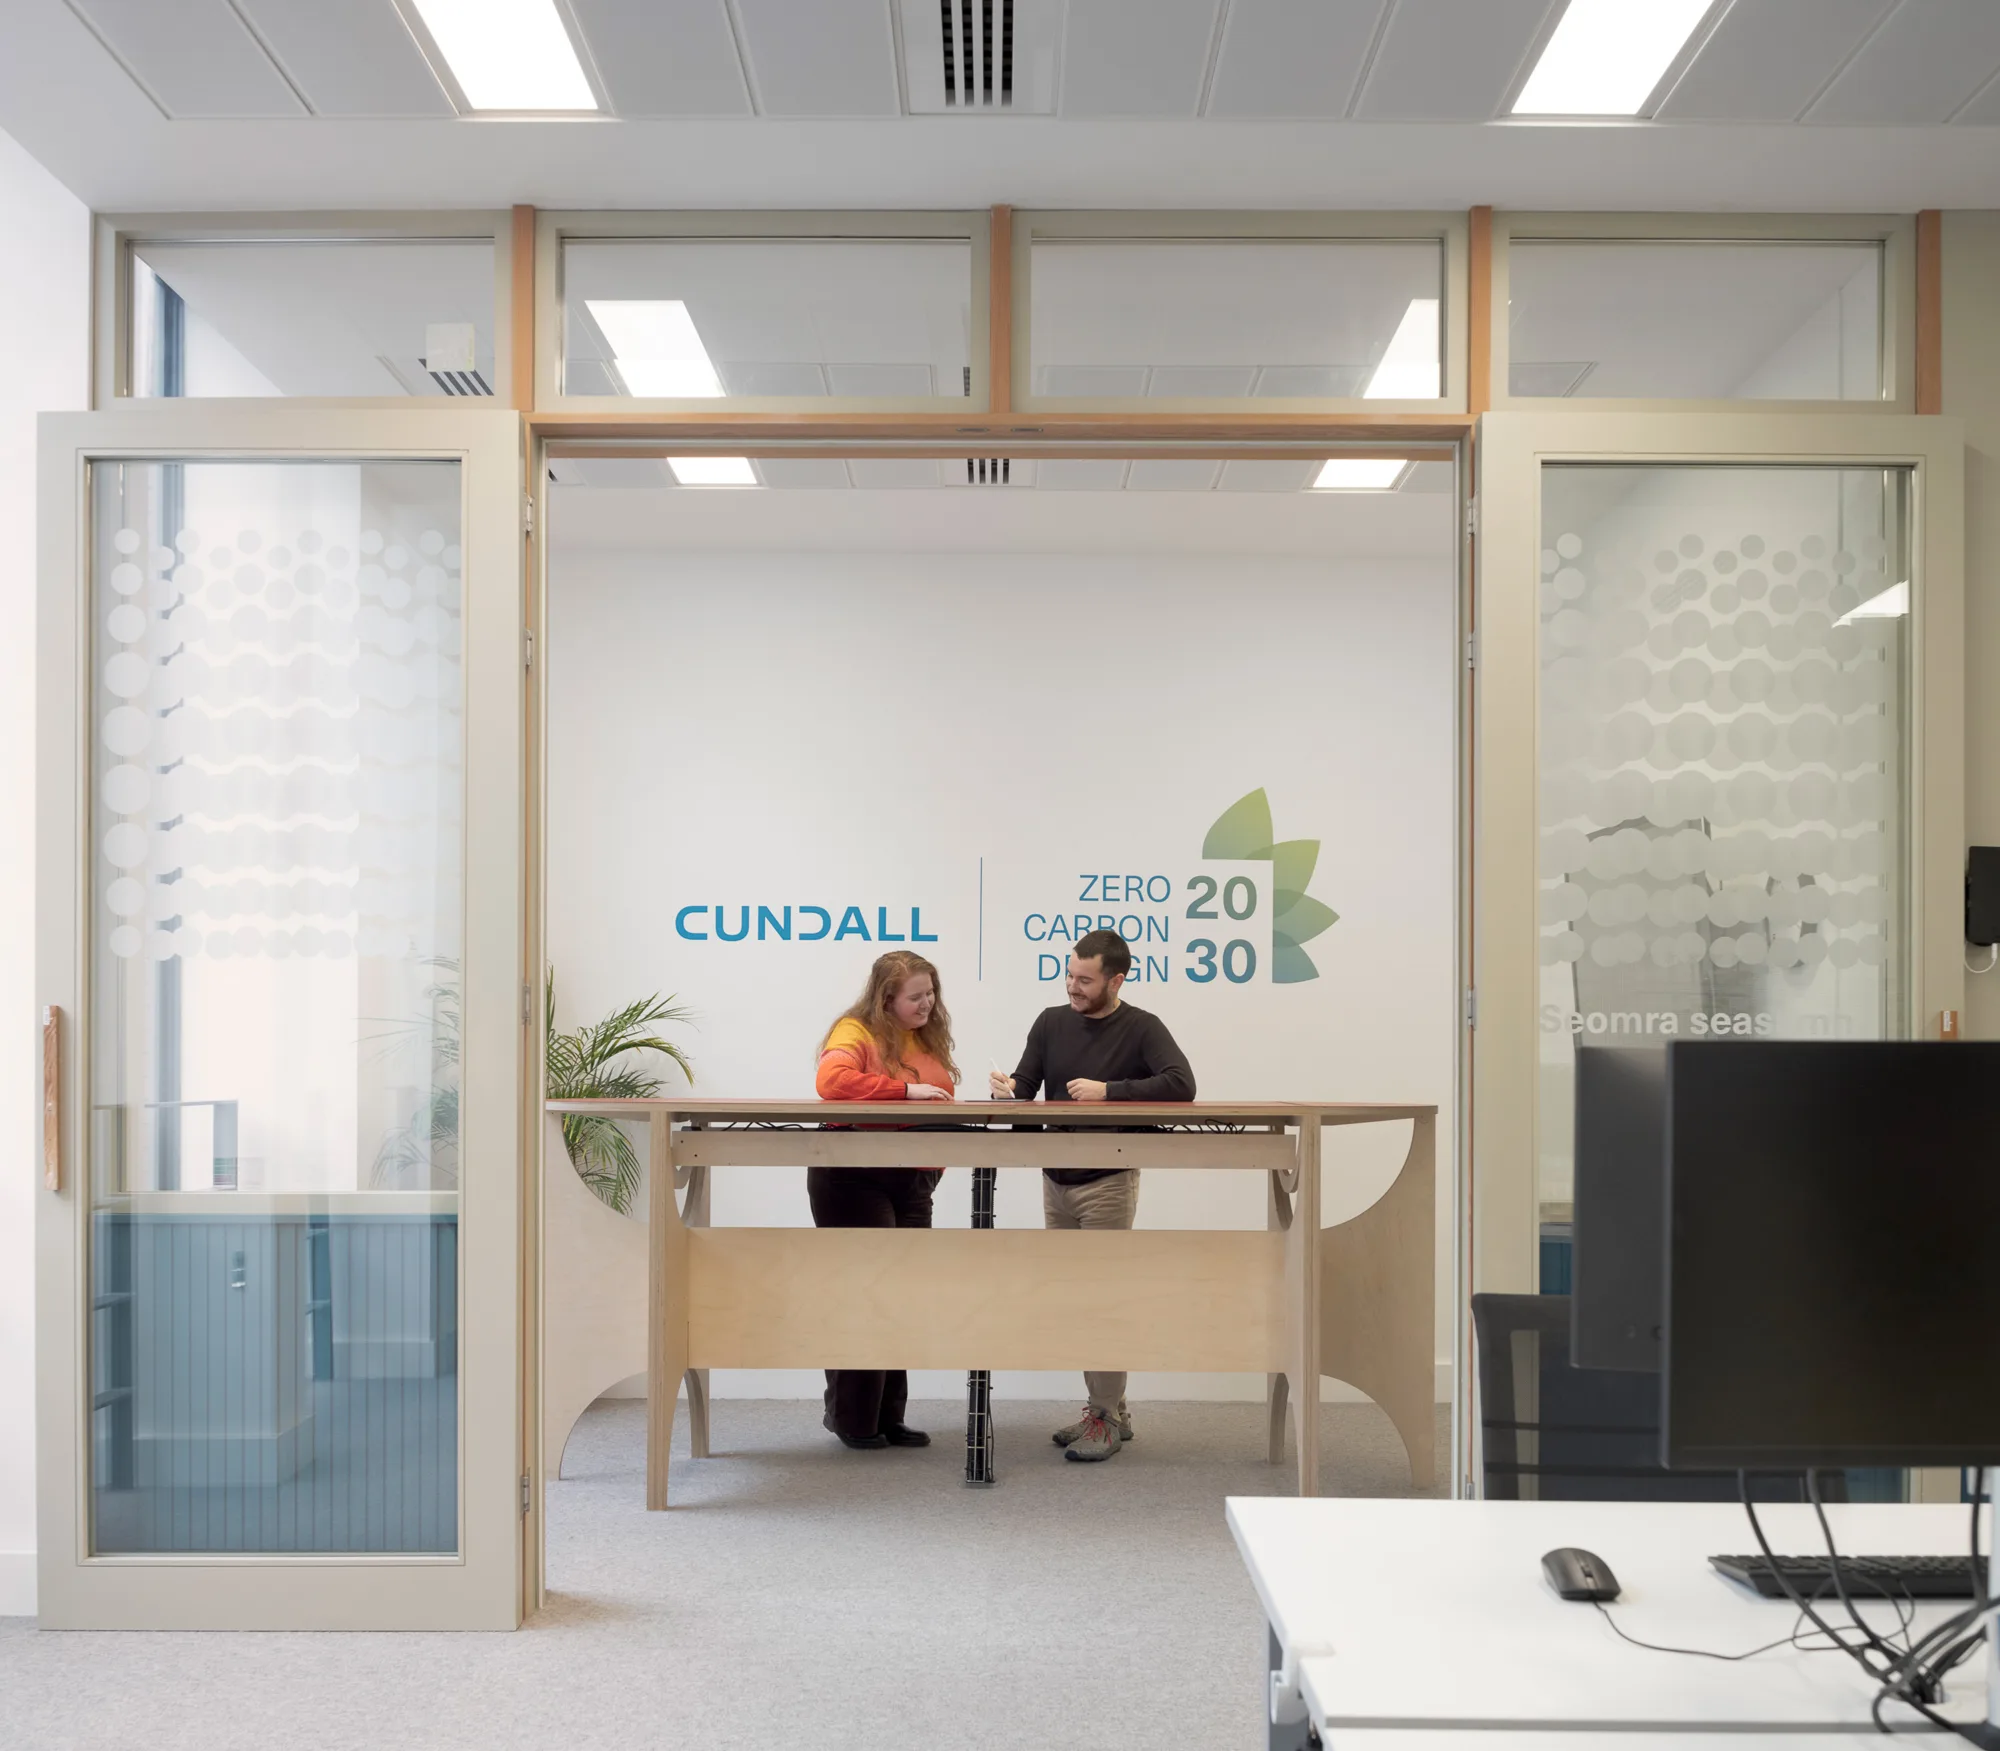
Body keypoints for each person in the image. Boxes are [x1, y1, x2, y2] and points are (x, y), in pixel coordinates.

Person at [988, 929, 1195, 1462]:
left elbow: (1181, 1084)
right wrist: (1008, 1091)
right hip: (1055, 1179)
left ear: (1116, 980)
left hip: (1108, 1181)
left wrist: (1111, 1093)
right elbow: (1027, 1085)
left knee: (1104, 1299)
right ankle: (1110, 1411)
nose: (1072, 987)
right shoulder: (1051, 1022)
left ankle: (1103, 1415)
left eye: (1085, 980)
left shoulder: (1142, 1027)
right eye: (1069, 975)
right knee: (1079, 1298)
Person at [812, 950, 957, 1451]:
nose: (927, 1002)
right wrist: (903, 1093)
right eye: (916, 996)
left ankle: (888, 1416)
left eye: (930, 993)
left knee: (901, 1299)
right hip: (854, 1175)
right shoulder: (855, 1031)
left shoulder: (925, 1037)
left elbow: (941, 1095)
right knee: (866, 1295)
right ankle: (854, 1419)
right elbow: (831, 1082)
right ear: (886, 997)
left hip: (911, 1178)